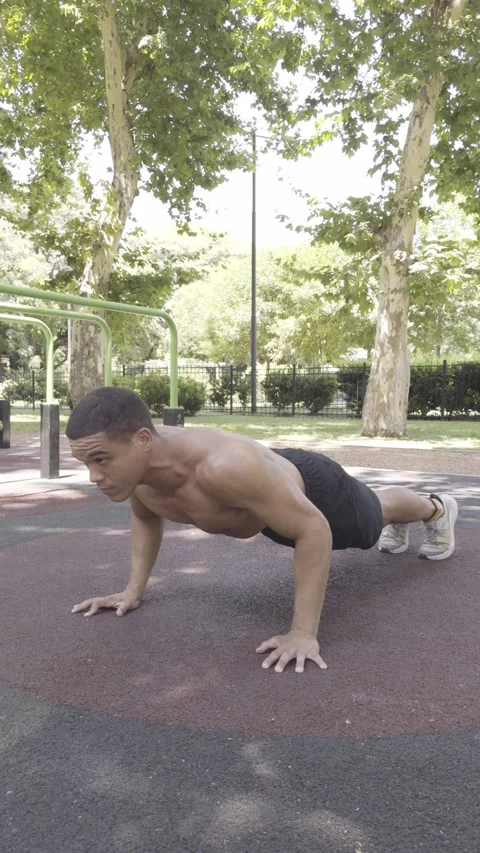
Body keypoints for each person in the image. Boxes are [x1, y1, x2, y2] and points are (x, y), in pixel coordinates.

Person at [66, 387, 458, 674]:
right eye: (86, 464)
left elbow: (314, 529)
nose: (95, 477)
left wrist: (303, 632)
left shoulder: (224, 467)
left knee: (374, 516)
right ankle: (418, 512)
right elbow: (146, 518)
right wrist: (133, 590)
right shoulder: (141, 480)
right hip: (265, 504)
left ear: (143, 439)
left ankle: (436, 509)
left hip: (312, 487)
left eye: (102, 460)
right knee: (360, 516)